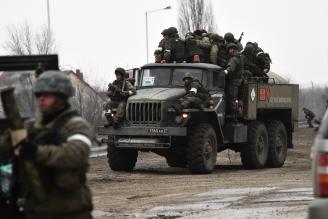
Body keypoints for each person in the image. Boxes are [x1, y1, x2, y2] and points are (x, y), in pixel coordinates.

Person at [0, 70, 94, 219]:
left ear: (61, 97)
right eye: (39, 95)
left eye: (47, 95)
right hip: (35, 211)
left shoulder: (76, 126)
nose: (41, 99)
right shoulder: (31, 127)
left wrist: (35, 152)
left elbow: (76, 154)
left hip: (70, 212)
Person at [224, 43, 244, 115]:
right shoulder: (240, 57)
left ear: (234, 50)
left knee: (231, 98)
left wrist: (226, 71)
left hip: (233, 81)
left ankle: (233, 116)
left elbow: (231, 68)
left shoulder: (234, 59)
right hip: (239, 80)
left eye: (231, 49)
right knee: (236, 98)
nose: (229, 51)